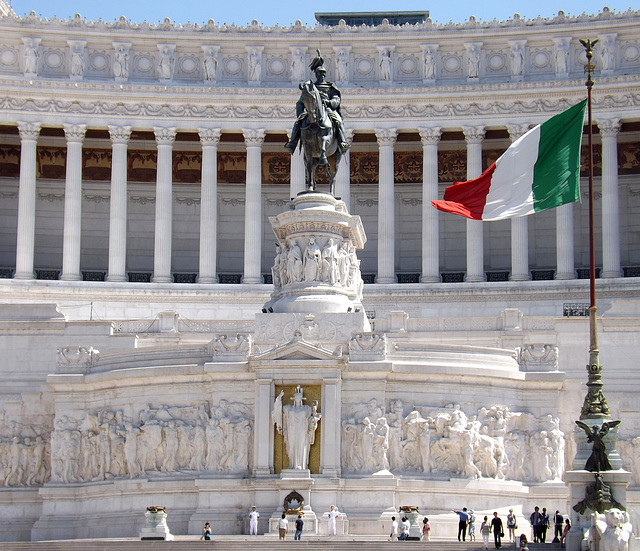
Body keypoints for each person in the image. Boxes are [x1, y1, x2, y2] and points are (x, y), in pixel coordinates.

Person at [285, 50, 350, 156]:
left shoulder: (330, 86)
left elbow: (336, 99)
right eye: (319, 73)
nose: (321, 75)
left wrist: (330, 103)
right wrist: (300, 112)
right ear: (316, 74)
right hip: (312, 110)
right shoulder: (310, 88)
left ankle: (343, 142)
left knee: (338, 121)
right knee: (298, 123)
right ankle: (292, 143)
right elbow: (300, 102)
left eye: (323, 73)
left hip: (327, 109)